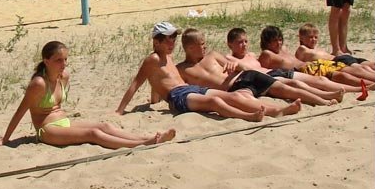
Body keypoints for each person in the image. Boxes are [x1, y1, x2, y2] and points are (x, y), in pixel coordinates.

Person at [0, 41, 175, 149]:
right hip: (46, 130)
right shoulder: (39, 83)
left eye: (65, 59)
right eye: (58, 60)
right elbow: (20, 111)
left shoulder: (64, 76)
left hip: (64, 122)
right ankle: (146, 143)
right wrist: (5, 139)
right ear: (46, 61)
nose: (63, 64)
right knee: (93, 133)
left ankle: (146, 137)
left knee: (104, 125)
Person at [115, 22, 267, 122]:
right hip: (178, 96)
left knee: (232, 96)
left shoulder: (168, 57)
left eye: (174, 39)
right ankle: (248, 116)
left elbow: (157, 81)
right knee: (215, 102)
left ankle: (272, 111)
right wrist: (119, 111)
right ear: (156, 42)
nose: (172, 43)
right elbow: (136, 84)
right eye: (168, 39)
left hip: (190, 89)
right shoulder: (152, 59)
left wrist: (154, 100)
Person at [176, 29, 309, 114]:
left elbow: (242, 68)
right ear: (191, 48)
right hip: (232, 89)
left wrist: (235, 65)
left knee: (289, 85)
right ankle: (278, 110)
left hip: (246, 77)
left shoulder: (212, 55)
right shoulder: (182, 69)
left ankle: (320, 98)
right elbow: (177, 88)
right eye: (201, 44)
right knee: (244, 99)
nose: (205, 46)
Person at [225, 27, 348, 102]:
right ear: (230, 44)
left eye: (246, 41)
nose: (244, 45)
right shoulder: (230, 58)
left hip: (274, 73)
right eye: (240, 42)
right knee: (296, 84)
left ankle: (333, 93)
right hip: (263, 79)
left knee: (316, 80)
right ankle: (324, 98)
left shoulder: (251, 54)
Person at [257, 25, 374, 95]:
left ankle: (372, 81)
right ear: (267, 42)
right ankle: (369, 86)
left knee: (350, 69)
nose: (279, 43)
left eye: (280, 39)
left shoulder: (283, 48)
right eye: (275, 41)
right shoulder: (266, 54)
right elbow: (262, 70)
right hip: (305, 70)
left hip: (315, 65)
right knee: (341, 76)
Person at [295, 22, 375, 73]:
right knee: (363, 69)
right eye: (310, 37)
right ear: (301, 38)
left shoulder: (313, 50)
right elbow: (298, 64)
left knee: (373, 65)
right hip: (337, 61)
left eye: (316, 37)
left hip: (342, 57)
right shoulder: (302, 49)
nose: (314, 39)